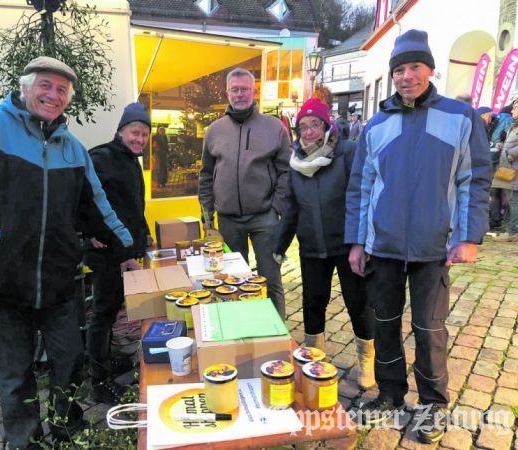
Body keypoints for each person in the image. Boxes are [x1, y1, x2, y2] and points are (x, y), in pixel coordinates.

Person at [0, 56, 133, 450]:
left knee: (69, 360)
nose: (53, 95)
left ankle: (64, 426)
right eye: (45, 85)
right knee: (15, 376)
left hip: (58, 281)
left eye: (62, 90)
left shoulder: (72, 148)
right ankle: (26, 441)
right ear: (25, 87)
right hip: (1, 282)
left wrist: (126, 244)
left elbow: (95, 204)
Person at [345, 30, 491, 444]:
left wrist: (469, 236)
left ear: (430, 70)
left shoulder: (458, 119)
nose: (406, 76)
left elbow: (474, 179)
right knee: (385, 324)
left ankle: (432, 405)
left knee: (429, 329)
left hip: (434, 247)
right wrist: (357, 241)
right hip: (384, 244)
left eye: (414, 67)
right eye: (399, 69)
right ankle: (391, 393)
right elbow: (361, 185)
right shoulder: (377, 124)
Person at [273, 97, 375, 389]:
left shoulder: (348, 152)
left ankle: (366, 359)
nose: (308, 132)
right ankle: (313, 357)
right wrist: (280, 246)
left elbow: (362, 196)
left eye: (314, 124)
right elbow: (291, 207)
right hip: (312, 246)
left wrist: (362, 240)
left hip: (347, 245)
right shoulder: (296, 162)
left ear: (326, 124)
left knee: (358, 303)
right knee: (312, 302)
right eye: (302, 127)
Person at [198, 67, 291, 319]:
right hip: (228, 219)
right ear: (227, 92)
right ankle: (240, 328)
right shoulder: (214, 131)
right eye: (235, 89)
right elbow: (206, 174)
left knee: (270, 279)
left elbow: (287, 171)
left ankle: (276, 332)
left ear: (254, 91)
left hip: (265, 218)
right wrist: (207, 214)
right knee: (231, 280)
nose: (240, 94)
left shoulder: (274, 128)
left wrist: (276, 207)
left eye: (245, 89)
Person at [84, 102, 153, 403]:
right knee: (103, 313)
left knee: (112, 311)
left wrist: (145, 232)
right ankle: (98, 380)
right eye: (134, 133)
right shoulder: (101, 157)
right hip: (106, 253)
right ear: (121, 131)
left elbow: (132, 205)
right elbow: (78, 196)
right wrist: (87, 233)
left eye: (144, 135)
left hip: (124, 249)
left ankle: (104, 359)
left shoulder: (129, 160)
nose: (139, 139)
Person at [493, 99, 518, 241]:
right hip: (506, 168)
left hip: (514, 168)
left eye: (515, 107)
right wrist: (503, 146)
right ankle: (507, 229)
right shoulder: (513, 125)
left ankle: (513, 232)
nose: (512, 110)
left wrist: (512, 153)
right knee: (508, 199)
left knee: (514, 200)